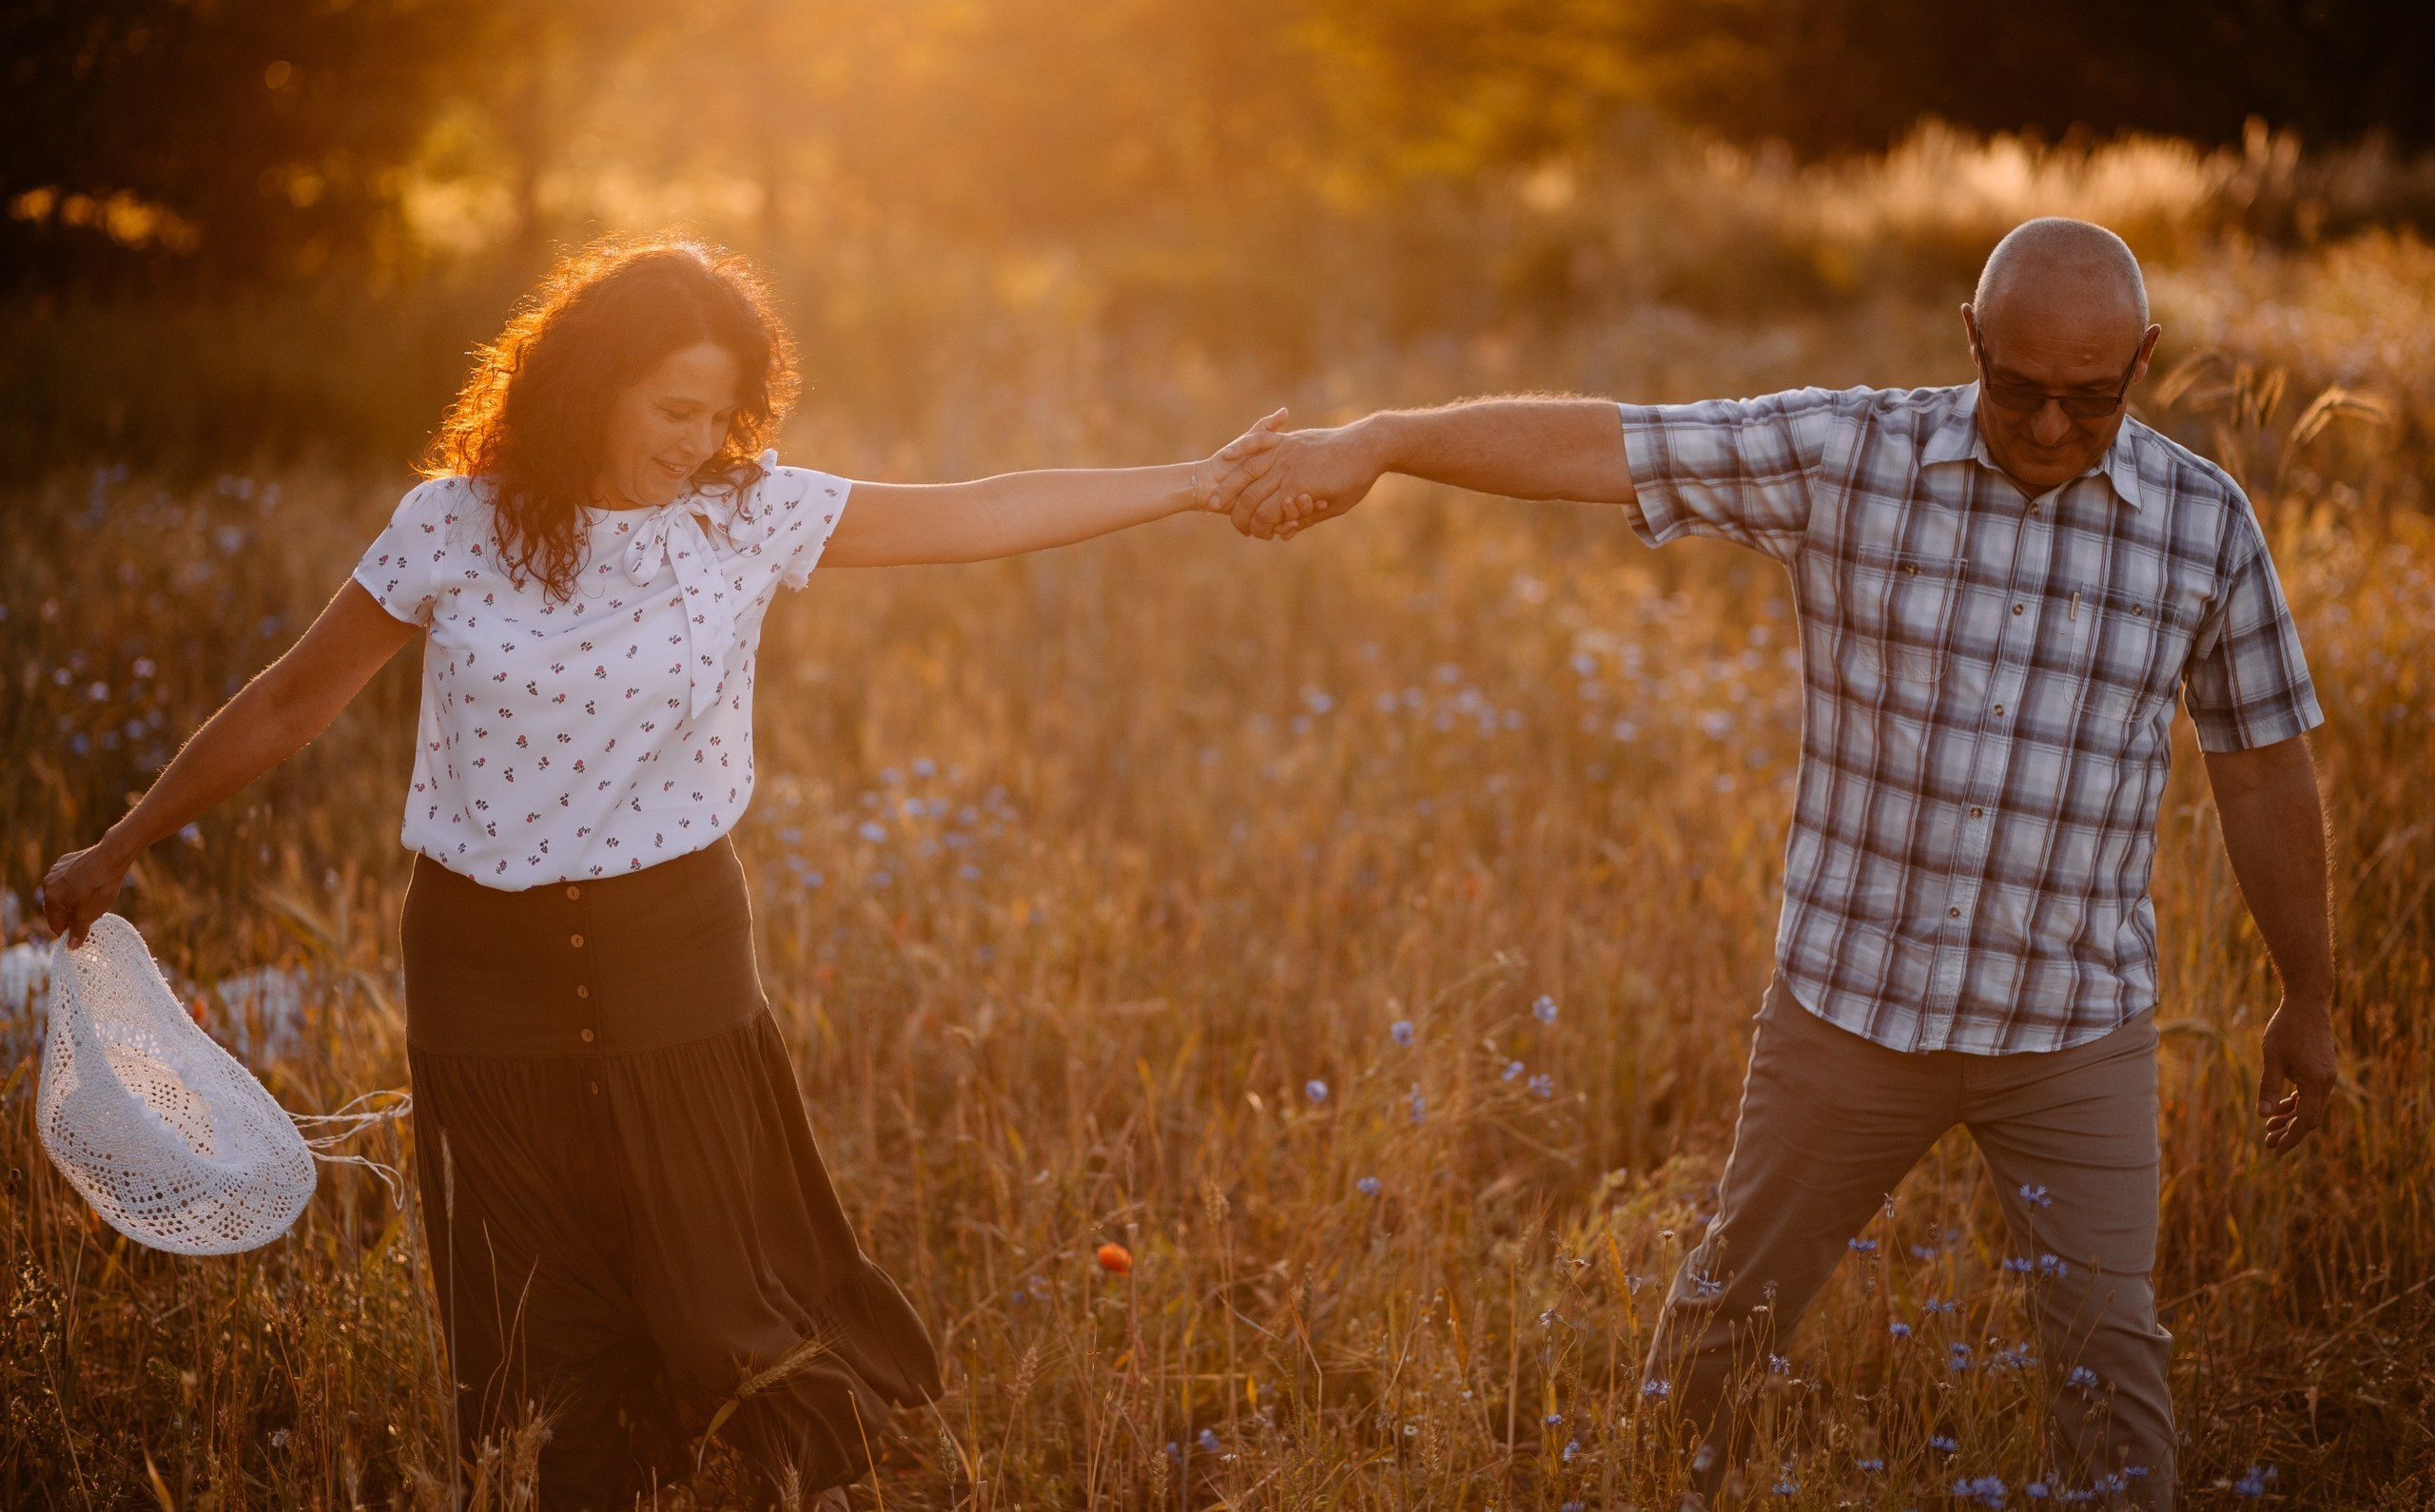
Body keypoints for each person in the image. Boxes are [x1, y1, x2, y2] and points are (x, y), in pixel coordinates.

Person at [39, 234, 1277, 1510]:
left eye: (724, 413)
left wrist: (1193, 483)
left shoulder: (744, 515)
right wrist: (122, 842)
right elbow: (288, 701)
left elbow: (980, 510)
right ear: (589, 384)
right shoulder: (448, 528)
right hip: (481, 965)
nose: (701, 438)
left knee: (720, 1299)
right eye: (676, 409)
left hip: (674, 947)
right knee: (538, 1334)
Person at [1209, 217, 2338, 1507]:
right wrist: (1382, 442)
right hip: (1850, 1016)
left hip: (2073, 1030)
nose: (2043, 426)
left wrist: (2306, 993)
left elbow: (2258, 764)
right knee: (1717, 1345)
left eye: (2090, 398)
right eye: (2016, 388)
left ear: (2143, 359)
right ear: (1970, 341)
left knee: (2117, 1400)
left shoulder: (2203, 524)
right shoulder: (1848, 455)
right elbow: (1610, 444)